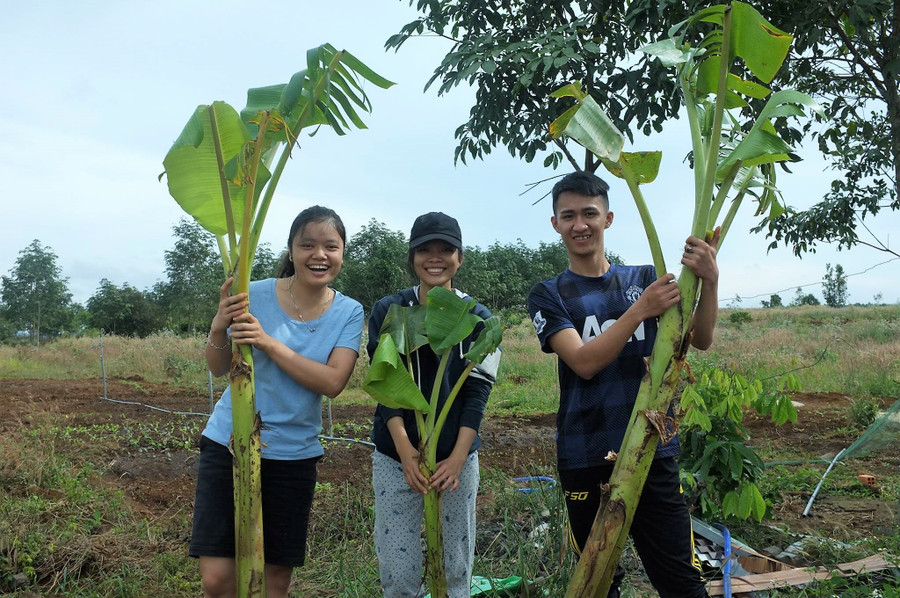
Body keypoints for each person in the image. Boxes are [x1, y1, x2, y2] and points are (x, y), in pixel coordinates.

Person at [526, 172, 720, 598]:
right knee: (598, 580)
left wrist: (710, 279)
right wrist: (638, 312)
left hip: (651, 447)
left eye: (590, 214)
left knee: (680, 578)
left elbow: (700, 340)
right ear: (555, 224)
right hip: (585, 450)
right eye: (569, 215)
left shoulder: (642, 279)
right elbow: (583, 362)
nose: (580, 224)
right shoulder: (548, 294)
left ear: (608, 218)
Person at [190, 206, 364, 598]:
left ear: (342, 253)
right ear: (291, 250)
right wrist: (220, 324)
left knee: (274, 581)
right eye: (307, 245)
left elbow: (333, 381)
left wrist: (268, 342)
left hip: (293, 454)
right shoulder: (254, 292)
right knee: (217, 579)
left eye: (330, 247)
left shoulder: (349, 311)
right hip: (229, 442)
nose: (319, 255)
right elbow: (219, 367)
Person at [368, 212, 501, 598]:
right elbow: (385, 384)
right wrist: (407, 452)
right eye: (425, 249)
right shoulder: (391, 311)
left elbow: (477, 392)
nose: (435, 258)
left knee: (456, 569)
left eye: (446, 249)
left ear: (460, 257)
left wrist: (458, 458)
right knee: (399, 572)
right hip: (397, 455)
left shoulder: (477, 317)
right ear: (412, 257)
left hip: (456, 458)